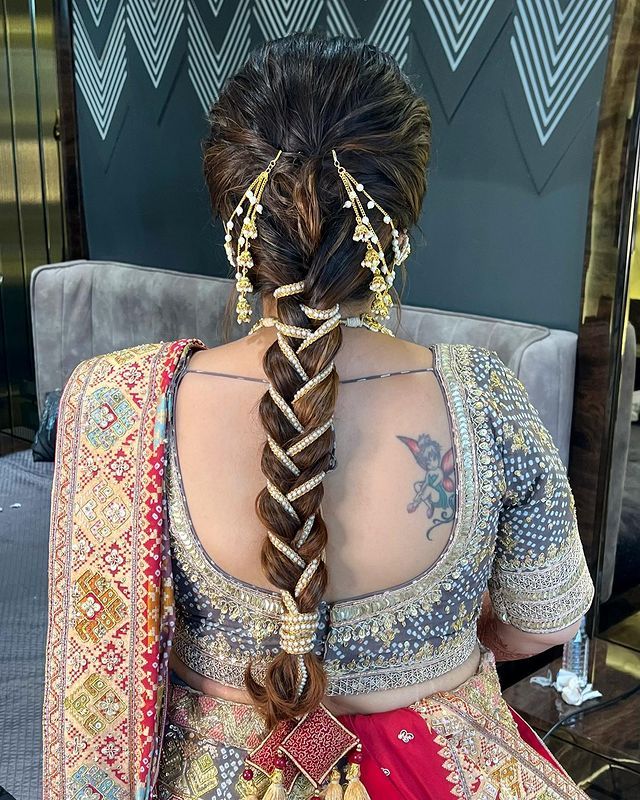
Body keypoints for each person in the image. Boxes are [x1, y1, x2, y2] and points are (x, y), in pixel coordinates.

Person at [43, 32, 594, 800]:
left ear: (236, 224)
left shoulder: (121, 404)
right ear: (396, 228)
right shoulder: (487, 399)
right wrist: (443, 648)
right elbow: (546, 620)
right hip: (437, 771)